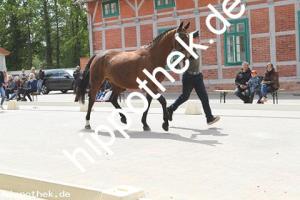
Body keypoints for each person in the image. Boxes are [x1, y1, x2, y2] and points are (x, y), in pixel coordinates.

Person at [167, 49, 220, 125]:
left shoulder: (193, 48)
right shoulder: (185, 51)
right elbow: (184, 56)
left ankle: (209, 118)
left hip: (198, 76)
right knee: (185, 96)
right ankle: (170, 109)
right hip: (188, 77)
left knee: (204, 97)